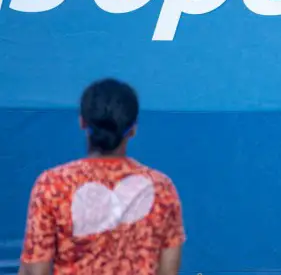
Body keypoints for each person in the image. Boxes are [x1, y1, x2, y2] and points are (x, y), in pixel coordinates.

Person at [19, 78, 186, 275]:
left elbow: (36, 271)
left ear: (82, 122)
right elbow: (168, 270)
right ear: (133, 129)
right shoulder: (161, 188)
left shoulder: (52, 185)